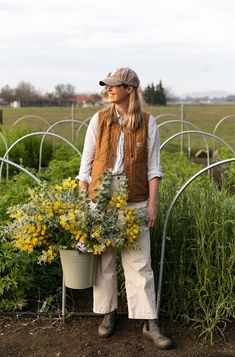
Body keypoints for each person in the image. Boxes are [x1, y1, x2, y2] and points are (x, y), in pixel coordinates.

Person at [77, 67, 173, 349]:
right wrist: (84, 204)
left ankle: (149, 322)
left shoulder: (147, 123)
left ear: (129, 89)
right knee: (104, 260)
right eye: (107, 86)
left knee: (140, 261)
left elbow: (154, 169)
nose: (108, 90)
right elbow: (86, 164)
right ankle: (109, 313)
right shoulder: (99, 119)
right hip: (101, 197)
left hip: (135, 198)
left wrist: (152, 205)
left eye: (114, 86)